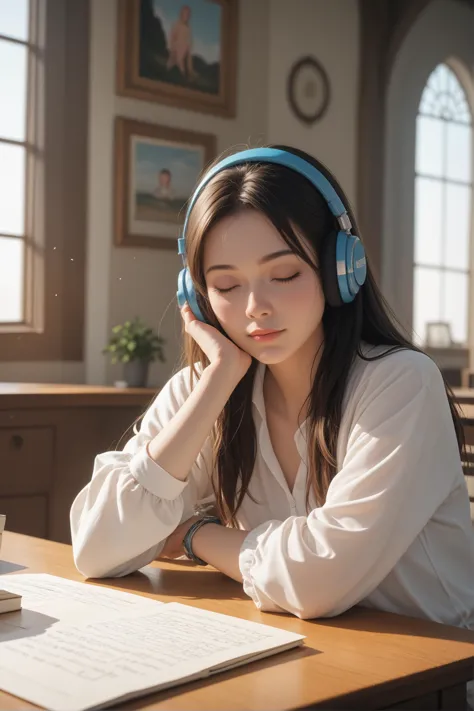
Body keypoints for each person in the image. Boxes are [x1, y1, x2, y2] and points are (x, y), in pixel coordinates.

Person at [71, 145, 474, 650]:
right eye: (226, 285)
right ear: (197, 297)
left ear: (338, 269)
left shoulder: (401, 384)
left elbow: (320, 579)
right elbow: (95, 548)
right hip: (298, 655)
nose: (255, 308)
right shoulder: (202, 390)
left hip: (430, 675)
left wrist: (196, 536)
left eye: (284, 276)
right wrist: (218, 380)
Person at [166, 5, 195, 82]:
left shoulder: (188, 28)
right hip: (176, 51)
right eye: (186, 13)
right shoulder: (176, 24)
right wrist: (173, 49)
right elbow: (172, 38)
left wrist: (189, 47)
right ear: (181, 14)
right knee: (173, 68)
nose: (188, 16)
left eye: (189, 14)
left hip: (185, 51)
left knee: (185, 71)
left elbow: (189, 40)